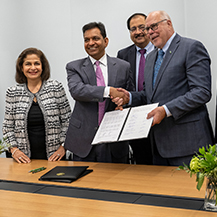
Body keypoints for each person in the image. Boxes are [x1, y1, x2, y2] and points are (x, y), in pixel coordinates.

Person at [112, 10, 214, 166]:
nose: (150, 32)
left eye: (154, 26)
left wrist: (166, 110)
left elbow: (202, 92)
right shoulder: (151, 56)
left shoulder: (191, 47)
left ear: (169, 24)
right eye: (148, 29)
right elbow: (149, 95)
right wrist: (129, 97)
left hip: (189, 145)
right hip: (158, 146)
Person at [64, 22, 134, 163]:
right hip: (84, 140)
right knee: (84, 183)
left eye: (95, 38)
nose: (91, 43)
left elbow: (130, 96)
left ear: (105, 41)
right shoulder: (74, 67)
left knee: (116, 183)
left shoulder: (123, 66)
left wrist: (123, 101)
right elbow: (77, 90)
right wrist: (108, 91)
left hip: (115, 139)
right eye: (86, 40)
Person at [3, 48, 71, 163]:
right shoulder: (12, 92)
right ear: (21, 67)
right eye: (28, 64)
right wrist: (14, 150)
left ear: (43, 66)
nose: (33, 68)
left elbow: (68, 121)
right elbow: (7, 127)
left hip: (55, 159)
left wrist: (63, 147)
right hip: (23, 161)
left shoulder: (55, 87)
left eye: (37, 63)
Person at [117, 13, 154, 165]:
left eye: (141, 27)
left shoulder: (161, 50)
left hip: (162, 117)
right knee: (142, 164)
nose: (138, 32)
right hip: (136, 120)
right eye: (133, 29)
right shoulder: (123, 55)